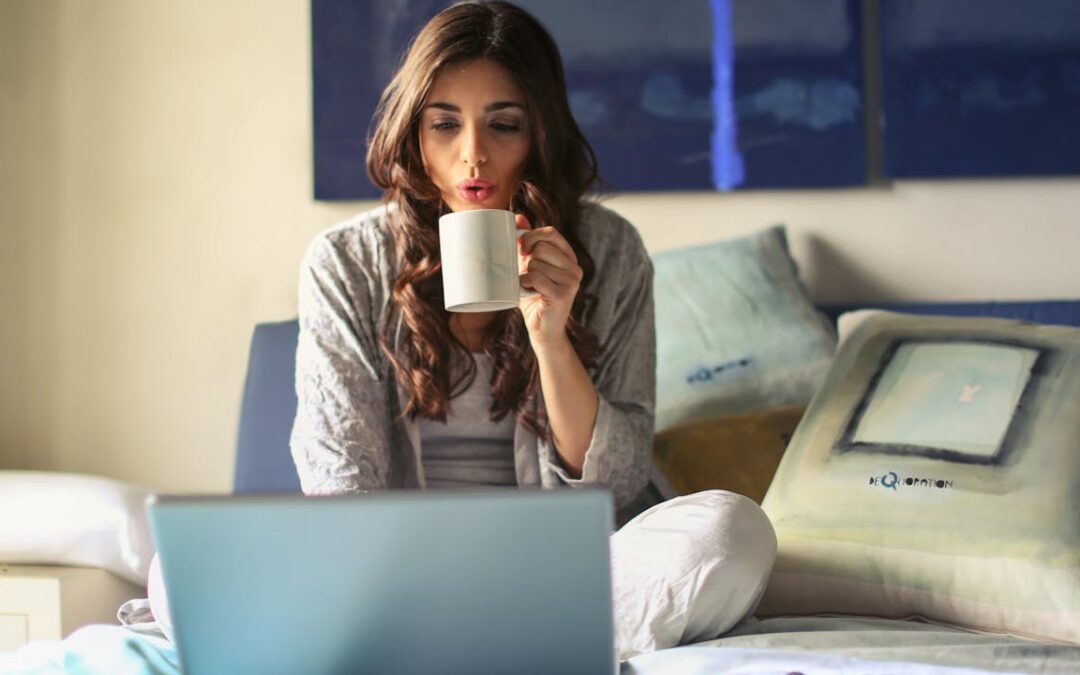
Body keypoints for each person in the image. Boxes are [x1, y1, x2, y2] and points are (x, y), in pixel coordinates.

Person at [140, 1, 776, 660]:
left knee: (734, 531)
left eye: (504, 125)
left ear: (541, 134)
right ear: (414, 133)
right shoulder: (347, 263)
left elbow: (615, 483)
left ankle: (427, 644)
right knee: (175, 574)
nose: (473, 155)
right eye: (445, 124)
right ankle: (504, 642)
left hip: (563, 574)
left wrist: (551, 335)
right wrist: (384, 577)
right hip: (392, 576)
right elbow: (338, 482)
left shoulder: (610, 252)